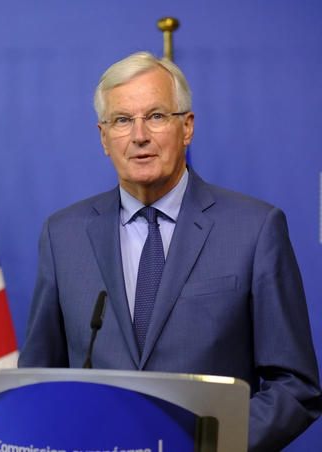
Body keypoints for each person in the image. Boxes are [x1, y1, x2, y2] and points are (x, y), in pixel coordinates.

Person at [18, 52, 321, 451]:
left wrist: (208, 445)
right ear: (104, 137)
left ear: (187, 127)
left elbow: (295, 385)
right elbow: (39, 379)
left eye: (156, 116)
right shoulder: (63, 234)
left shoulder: (255, 228)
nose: (139, 135)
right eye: (122, 120)